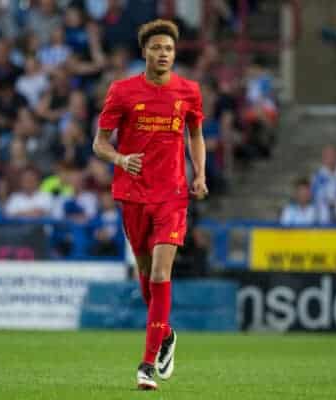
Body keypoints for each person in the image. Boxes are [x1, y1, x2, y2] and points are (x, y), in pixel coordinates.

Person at [92, 19, 207, 390]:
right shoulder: (123, 91)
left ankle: (146, 365)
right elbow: (99, 143)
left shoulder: (188, 91)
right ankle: (166, 335)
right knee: (145, 275)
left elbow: (196, 134)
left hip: (172, 194)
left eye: (169, 49)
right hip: (133, 194)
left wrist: (200, 174)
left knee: (160, 274)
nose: (163, 54)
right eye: (157, 47)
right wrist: (121, 160)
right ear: (145, 51)